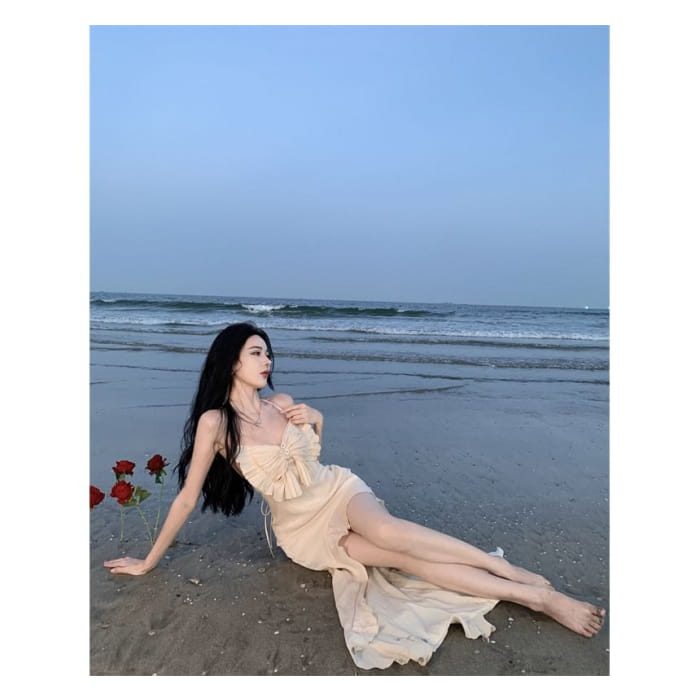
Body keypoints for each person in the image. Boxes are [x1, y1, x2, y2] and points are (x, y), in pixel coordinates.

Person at [104, 322, 605, 669]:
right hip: (303, 531)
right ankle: (532, 596)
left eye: (268, 352)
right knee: (401, 558)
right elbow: (187, 497)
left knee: (389, 531)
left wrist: (318, 418)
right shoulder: (217, 423)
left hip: (339, 490)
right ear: (230, 359)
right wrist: (148, 562)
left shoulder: (281, 402)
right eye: (256, 351)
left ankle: (510, 574)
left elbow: (310, 460)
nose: (267, 359)